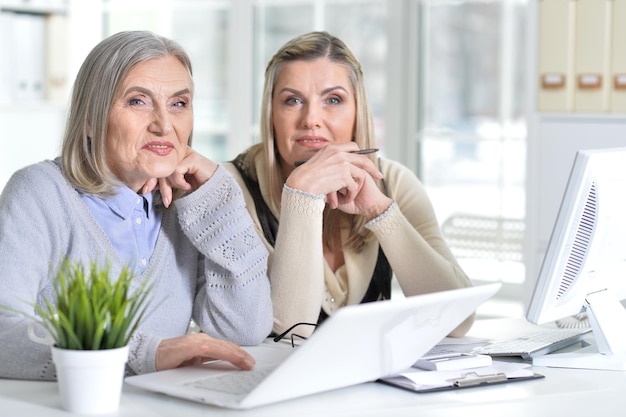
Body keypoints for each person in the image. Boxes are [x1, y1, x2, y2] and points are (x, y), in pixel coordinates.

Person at [0, 31, 273, 381]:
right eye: (137, 101)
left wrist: (220, 197)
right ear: (90, 119)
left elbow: (244, 328)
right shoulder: (40, 193)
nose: (164, 125)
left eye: (178, 104)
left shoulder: (186, 204)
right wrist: (145, 354)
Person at [223, 31, 474, 340]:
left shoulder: (393, 182)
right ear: (271, 113)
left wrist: (379, 210)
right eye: (292, 100)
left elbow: (457, 322)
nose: (311, 119)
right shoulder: (232, 188)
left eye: (333, 100)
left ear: (358, 110)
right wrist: (302, 196)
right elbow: (290, 332)